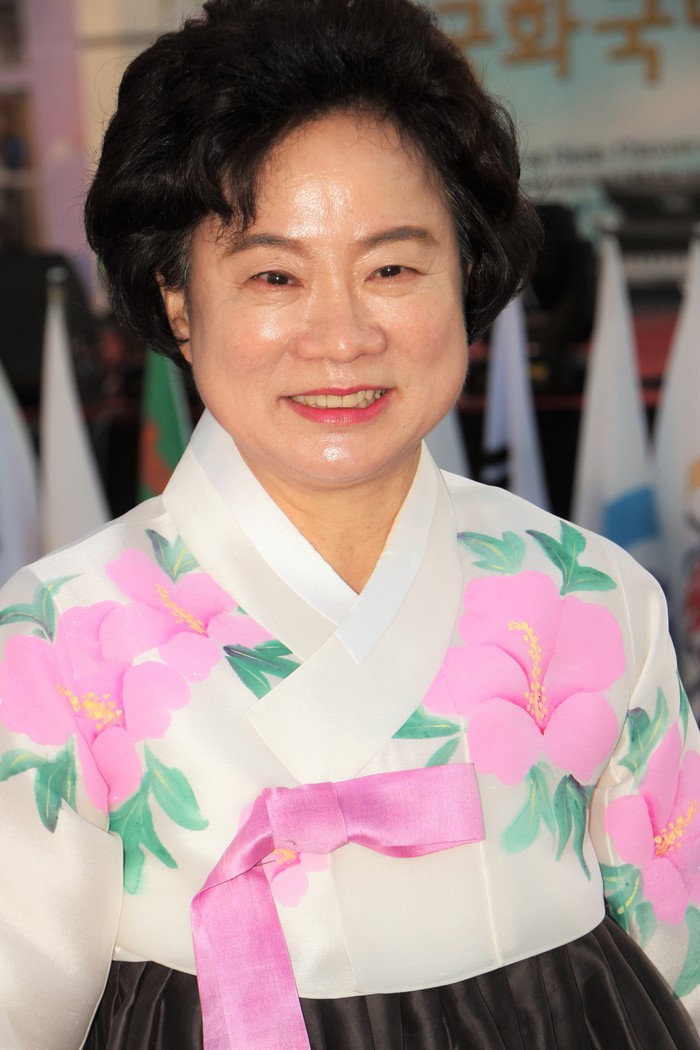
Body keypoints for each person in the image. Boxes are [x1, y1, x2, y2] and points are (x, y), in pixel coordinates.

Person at [0, 1, 698, 1047]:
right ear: (179, 299)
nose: (341, 336)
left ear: (465, 276)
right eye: (274, 275)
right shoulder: (61, 632)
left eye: (392, 269)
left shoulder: (586, 595)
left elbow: (684, 961)